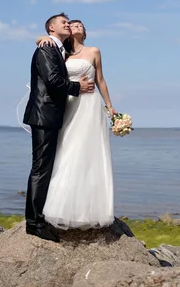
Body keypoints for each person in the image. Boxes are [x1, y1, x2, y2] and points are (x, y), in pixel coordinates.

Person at [36, 19, 118, 230]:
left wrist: (110, 106)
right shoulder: (60, 52)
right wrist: (41, 37)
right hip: (68, 105)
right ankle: (59, 207)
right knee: (66, 151)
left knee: (87, 152)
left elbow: (100, 80)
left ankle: (87, 210)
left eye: (81, 25)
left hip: (89, 106)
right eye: (73, 24)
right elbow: (44, 47)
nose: (77, 26)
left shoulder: (94, 51)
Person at [23, 13, 95, 242]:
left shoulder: (56, 48)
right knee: (41, 168)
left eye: (69, 22)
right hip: (44, 115)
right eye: (63, 22)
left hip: (51, 116)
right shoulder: (46, 49)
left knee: (46, 168)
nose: (68, 24)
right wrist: (78, 86)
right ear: (51, 28)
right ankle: (34, 223)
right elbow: (53, 80)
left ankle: (40, 217)